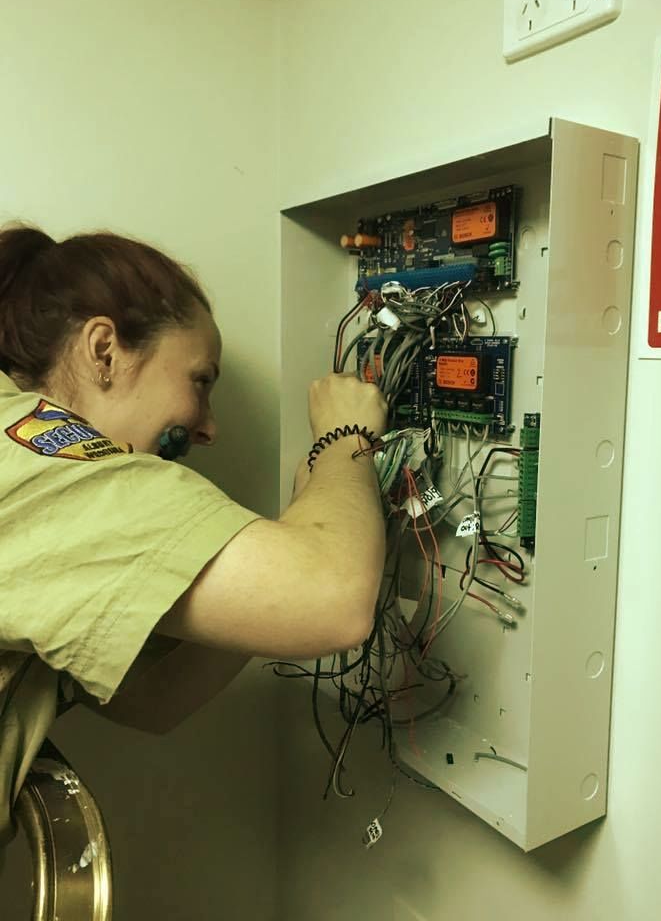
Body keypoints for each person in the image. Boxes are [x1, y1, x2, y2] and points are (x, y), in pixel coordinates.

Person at [0, 223, 387, 848]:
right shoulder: (49, 464)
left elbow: (150, 701)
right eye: (200, 381)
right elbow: (336, 601)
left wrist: (304, 530)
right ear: (104, 351)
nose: (207, 428)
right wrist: (347, 438)